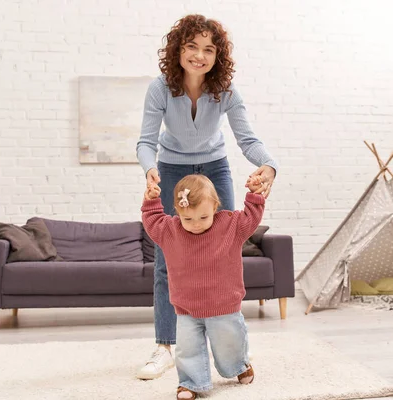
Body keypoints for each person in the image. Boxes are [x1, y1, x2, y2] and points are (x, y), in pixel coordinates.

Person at [135, 13, 278, 380]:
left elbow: (247, 140)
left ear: (218, 56)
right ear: (178, 49)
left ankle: (227, 339)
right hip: (170, 169)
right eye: (192, 47)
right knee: (168, 257)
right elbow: (146, 141)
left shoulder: (226, 90)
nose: (199, 55)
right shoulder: (160, 88)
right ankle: (166, 345)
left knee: (224, 249)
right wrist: (150, 169)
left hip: (215, 168)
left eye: (208, 49)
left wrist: (269, 166)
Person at [141, 174, 264, 400]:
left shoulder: (230, 225)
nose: (196, 224)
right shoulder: (171, 230)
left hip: (224, 305)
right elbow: (153, 221)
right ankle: (190, 383)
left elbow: (250, 218)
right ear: (178, 212)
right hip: (186, 307)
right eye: (187, 219)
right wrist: (150, 201)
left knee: (230, 343)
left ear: (216, 207)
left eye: (203, 217)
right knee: (187, 349)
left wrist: (255, 195)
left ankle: (239, 365)